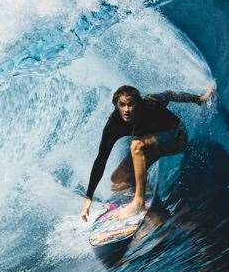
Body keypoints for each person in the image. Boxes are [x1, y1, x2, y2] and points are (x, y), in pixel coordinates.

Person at [81, 84, 215, 221]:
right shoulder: (113, 125)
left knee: (136, 145)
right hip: (153, 145)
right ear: (116, 105)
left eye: (130, 104)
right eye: (122, 105)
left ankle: (138, 202)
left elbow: (170, 94)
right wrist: (88, 197)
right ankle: (151, 207)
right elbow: (101, 159)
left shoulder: (150, 104)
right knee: (119, 180)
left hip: (176, 136)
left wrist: (199, 99)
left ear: (138, 104)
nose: (126, 110)